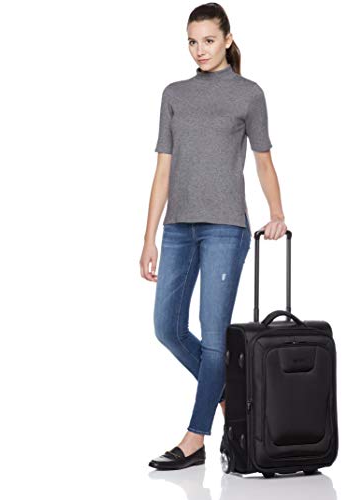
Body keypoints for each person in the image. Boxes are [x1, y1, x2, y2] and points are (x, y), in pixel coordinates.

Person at [140, 3, 287, 470]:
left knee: (211, 337)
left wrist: (277, 213)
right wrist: (148, 238)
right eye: (192, 41)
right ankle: (226, 391)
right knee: (167, 328)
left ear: (227, 39)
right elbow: (162, 171)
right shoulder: (174, 94)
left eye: (208, 40)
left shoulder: (249, 94)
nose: (199, 49)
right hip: (178, 228)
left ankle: (194, 439)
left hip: (226, 227)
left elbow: (263, 160)